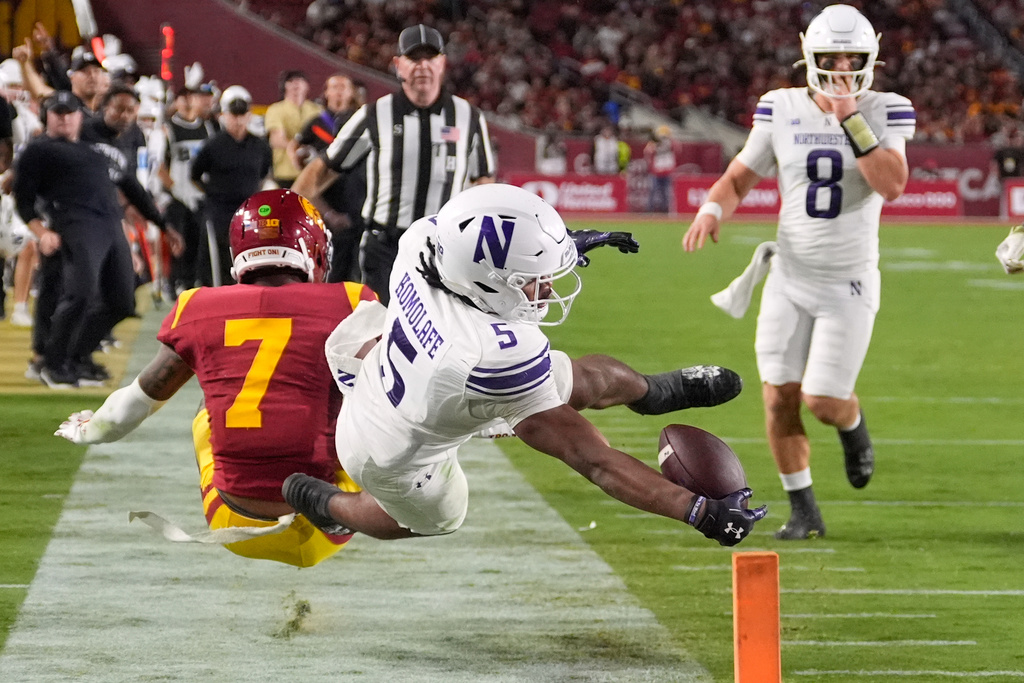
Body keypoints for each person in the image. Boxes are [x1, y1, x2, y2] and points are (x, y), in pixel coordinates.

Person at [283, 183, 764, 547]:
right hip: (389, 447)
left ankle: (656, 393)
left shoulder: (423, 246)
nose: (549, 290)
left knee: (583, 377)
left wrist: (561, 245)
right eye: (534, 280)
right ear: (489, 282)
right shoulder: (488, 354)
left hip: (405, 364)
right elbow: (591, 458)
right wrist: (696, 510)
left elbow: (472, 240)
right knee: (435, 518)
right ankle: (330, 506)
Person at [681, 4, 915, 540]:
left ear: (870, 57)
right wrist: (712, 208)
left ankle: (853, 427)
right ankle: (804, 509)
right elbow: (739, 176)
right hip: (790, 275)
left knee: (824, 401)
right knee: (778, 396)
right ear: (808, 56)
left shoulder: (885, 108)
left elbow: (892, 183)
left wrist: (849, 115)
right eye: (830, 57)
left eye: (851, 57)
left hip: (848, 282)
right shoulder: (781, 107)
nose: (840, 66)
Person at [54, 189, 378, 568]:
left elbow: (132, 406)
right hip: (337, 516)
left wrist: (88, 430)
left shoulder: (197, 306)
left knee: (208, 408)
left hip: (234, 522)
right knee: (358, 398)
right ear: (315, 252)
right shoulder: (352, 302)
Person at [292, 23, 495, 305]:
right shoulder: (375, 115)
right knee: (383, 333)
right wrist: (290, 212)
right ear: (398, 65)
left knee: (445, 340)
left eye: (430, 57)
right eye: (414, 58)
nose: (422, 65)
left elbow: (483, 182)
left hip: (444, 249)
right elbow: (325, 167)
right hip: (386, 247)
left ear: (442, 64)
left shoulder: (468, 117)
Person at [14, 91, 178, 388]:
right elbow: (23, 200)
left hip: (110, 226)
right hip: (74, 224)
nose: (64, 117)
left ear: (80, 116)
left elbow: (132, 189)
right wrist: (42, 232)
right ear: (47, 116)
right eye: (57, 112)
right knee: (79, 294)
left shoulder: (95, 152)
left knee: (122, 301)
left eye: (69, 112)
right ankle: (51, 364)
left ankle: (75, 356)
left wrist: (162, 225)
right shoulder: (38, 150)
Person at [190, 86, 272, 287]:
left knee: (251, 256)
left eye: (242, 114)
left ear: (249, 115)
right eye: (233, 114)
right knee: (219, 258)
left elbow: (263, 174)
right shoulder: (213, 145)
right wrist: (213, 194)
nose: (238, 120)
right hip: (219, 210)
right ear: (223, 115)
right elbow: (195, 175)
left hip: (250, 211)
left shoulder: (260, 145)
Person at [288, 73, 366, 282]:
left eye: (344, 86)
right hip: (326, 205)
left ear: (352, 92)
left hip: (358, 202)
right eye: (335, 86)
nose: (339, 91)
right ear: (326, 92)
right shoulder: (316, 122)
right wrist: (298, 162)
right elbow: (296, 147)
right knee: (329, 270)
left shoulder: (361, 120)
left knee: (359, 271)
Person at [263, 70, 321, 188]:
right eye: (291, 81)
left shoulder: (317, 110)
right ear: (284, 86)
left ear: (307, 86)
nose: (296, 84)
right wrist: (298, 148)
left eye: (300, 80)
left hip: (313, 172)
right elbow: (276, 139)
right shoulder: (276, 109)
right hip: (286, 173)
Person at [645, 125, 676, 212]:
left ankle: (665, 210)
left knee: (666, 192)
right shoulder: (653, 144)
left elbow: (676, 149)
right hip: (656, 171)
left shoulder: (671, 143)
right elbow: (648, 153)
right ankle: (650, 210)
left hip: (667, 171)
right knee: (653, 191)